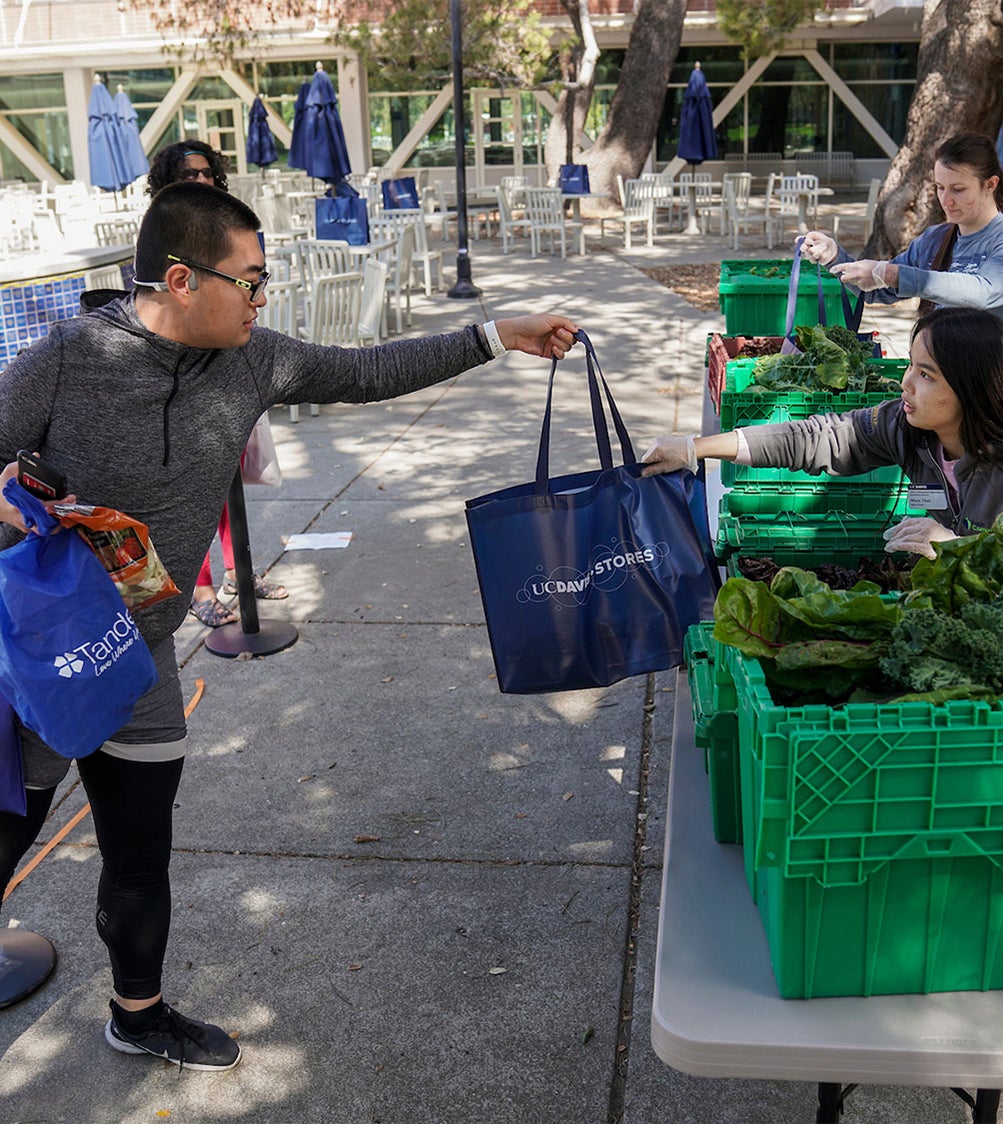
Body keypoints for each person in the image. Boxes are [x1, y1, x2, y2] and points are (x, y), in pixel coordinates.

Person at [0, 182, 577, 1070]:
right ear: (183, 279)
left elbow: (368, 370)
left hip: (142, 659)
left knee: (140, 851)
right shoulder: (69, 358)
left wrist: (498, 334)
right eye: (253, 281)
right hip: (38, 659)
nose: (263, 299)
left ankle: (139, 1013)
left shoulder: (254, 359)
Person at [641, 307, 1003, 594]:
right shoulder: (911, 427)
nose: (906, 383)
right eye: (912, 366)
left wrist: (958, 550)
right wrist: (696, 447)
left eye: (927, 374)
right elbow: (820, 436)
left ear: (976, 388)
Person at [799, 131, 1003, 408]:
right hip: (957, 400)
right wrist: (834, 257)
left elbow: (982, 292)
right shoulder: (935, 239)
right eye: (940, 188)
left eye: (958, 189)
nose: (946, 199)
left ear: (990, 184)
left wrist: (892, 273)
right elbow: (877, 292)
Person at [147, 140, 288, 625]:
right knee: (195, 493)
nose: (201, 180)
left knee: (231, 486)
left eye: (208, 173)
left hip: (229, 370)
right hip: (182, 382)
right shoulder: (161, 233)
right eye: (189, 174)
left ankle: (241, 574)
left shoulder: (233, 228)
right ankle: (201, 589)